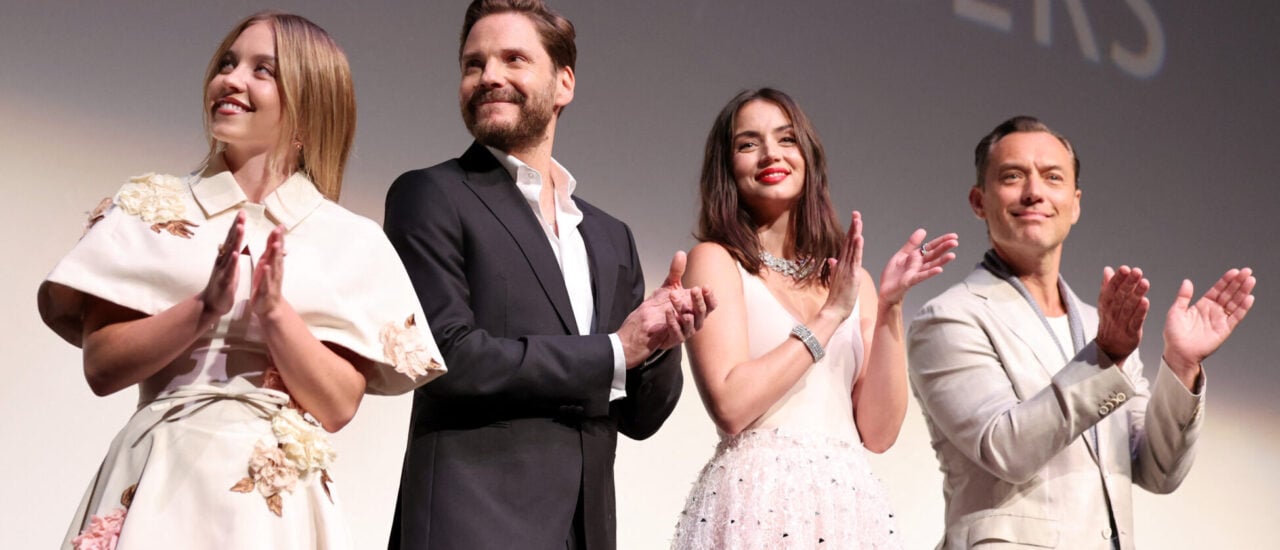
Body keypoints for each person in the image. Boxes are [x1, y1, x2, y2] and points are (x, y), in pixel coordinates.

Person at [38, 11, 446, 549]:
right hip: (161, 475)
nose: (231, 80)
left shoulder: (348, 239)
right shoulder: (151, 205)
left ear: (309, 102)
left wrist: (276, 315)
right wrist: (203, 309)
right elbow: (102, 367)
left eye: (263, 70)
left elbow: (337, 406)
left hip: (275, 504)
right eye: (227, 64)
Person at [382, 1, 714, 549]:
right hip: (471, 526)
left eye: (514, 59)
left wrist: (658, 344)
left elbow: (639, 418)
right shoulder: (431, 195)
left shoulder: (610, 237)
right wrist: (616, 349)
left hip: (583, 531)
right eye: (473, 64)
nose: (490, 76)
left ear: (564, 84)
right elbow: (446, 357)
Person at [907, 116, 1257, 549]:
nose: (1034, 192)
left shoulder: (1098, 324)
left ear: (1074, 204)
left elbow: (1158, 470)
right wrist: (1106, 355)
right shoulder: (947, 318)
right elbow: (1006, 449)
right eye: (1013, 176)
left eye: (1052, 177)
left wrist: (1181, 367)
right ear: (979, 201)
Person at [670, 88, 959, 549]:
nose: (771, 153)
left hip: (846, 508)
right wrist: (829, 317)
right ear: (727, 168)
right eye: (748, 144)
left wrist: (890, 308)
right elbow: (731, 406)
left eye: (787, 139)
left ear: (808, 156)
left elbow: (879, 434)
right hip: (754, 504)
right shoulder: (716, 262)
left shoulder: (850, 281)